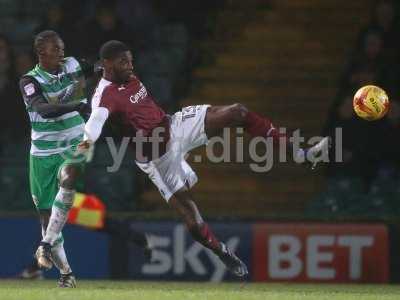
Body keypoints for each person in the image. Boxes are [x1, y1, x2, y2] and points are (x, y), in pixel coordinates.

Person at [78, 40, 329, 277]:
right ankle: (220, 251)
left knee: (238, 112)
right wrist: (87, 140)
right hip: (157, 159)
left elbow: (97, 65)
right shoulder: (105, 95)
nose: (131, 66)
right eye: (124, 62)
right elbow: (96, 120)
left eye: (131, 61)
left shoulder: (117, 70)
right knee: (194, 224)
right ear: (110, 64)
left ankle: (301, 154)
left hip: (174, 126)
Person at [19, 30, 91, 288]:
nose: (62, 52)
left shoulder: (72, 65)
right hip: (41, 154)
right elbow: (43, 110)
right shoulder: (30, 80)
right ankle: (66, 273)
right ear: (41, 53)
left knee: (69, 176)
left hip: (73, 143)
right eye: (56, 49)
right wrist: (76, 105)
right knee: (46, 217)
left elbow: (99, 67)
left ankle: (44, 244)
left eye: (62, 47)